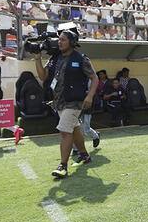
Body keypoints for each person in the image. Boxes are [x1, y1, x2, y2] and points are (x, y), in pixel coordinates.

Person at [33, 31, 99, 178]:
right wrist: (37, 59)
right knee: (74, 129)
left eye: (63, 40)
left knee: (64, 131)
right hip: (59, 102)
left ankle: (63, 166)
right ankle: (84, 155)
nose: (59, 42)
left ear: (72, 42)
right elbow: (43, 76)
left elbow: (94, 78)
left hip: (75, 102)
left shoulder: (81, 59)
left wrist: (89, 97)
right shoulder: (54, 58)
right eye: (59, 40)